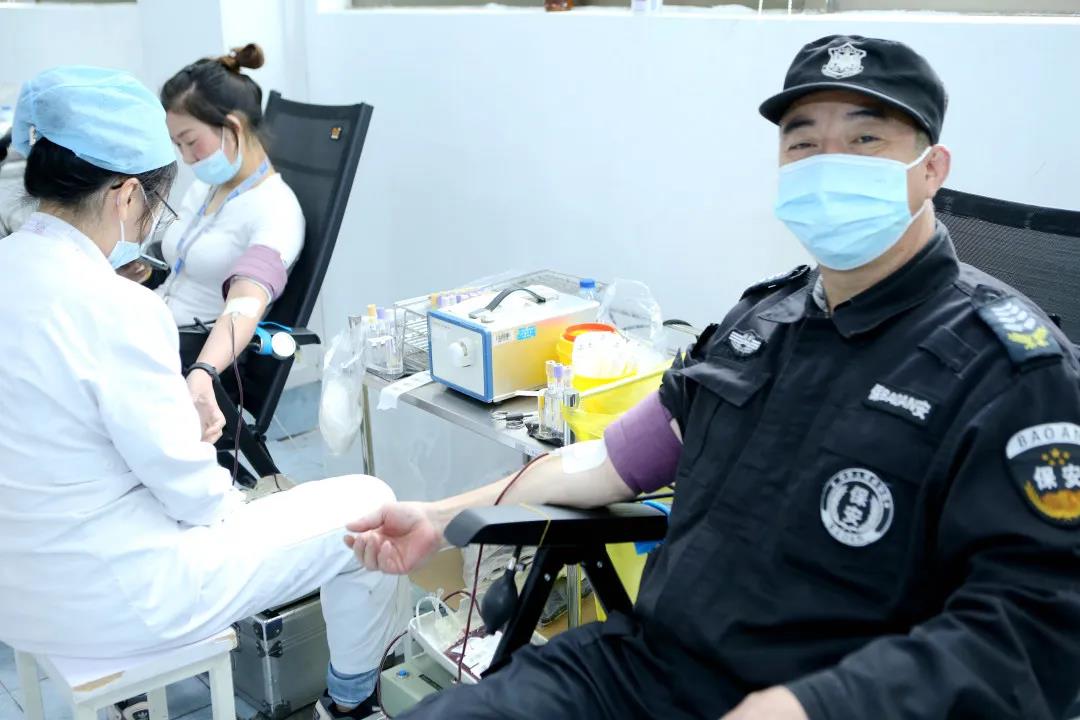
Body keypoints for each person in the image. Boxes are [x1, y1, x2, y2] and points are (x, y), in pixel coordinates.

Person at [345, 36, 1080, 720]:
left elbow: (1034, 630)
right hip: (647, 671)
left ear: (932, 168)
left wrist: (809, 707)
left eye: (865, 140)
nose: (830, 163)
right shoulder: (761, 322)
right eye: (804, 144)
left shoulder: (1009, 370)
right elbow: (607, 463)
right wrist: (440, 515)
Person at [0, 66, 405, 720]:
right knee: (372, 505)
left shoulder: (13, 265)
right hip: (113, 598)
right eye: (168, 176)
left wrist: (191, 381)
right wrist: (227, 491)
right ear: (126, 195)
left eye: (191, 142)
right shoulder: (118, 306)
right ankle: (352, 707)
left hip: (16, 588)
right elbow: (191, 493)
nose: (187, 165)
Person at [148, 43, 304, 445]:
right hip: (156, 330)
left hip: (191, 352)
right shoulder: (207, 187)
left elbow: (245, 303)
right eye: (177, 145)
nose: (186, 158)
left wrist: (203, 372)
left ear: (232, 127)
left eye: (190, 141)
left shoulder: (276, 211)